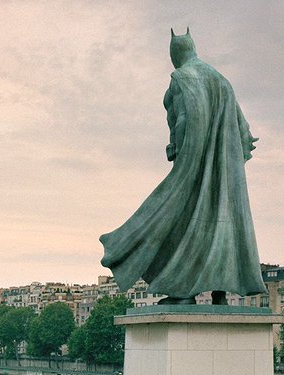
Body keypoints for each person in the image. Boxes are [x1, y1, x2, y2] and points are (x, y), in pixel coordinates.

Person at [99, 29, 265, 304]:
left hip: (195, 161)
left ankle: (182, 289)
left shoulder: (182, 77)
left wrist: (177, 149)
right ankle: (219, 293)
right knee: (220, 222)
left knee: (180, 218)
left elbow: (184, 118)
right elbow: (242, 127)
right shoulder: (222, 81)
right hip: (225, 170)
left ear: (175, 54)